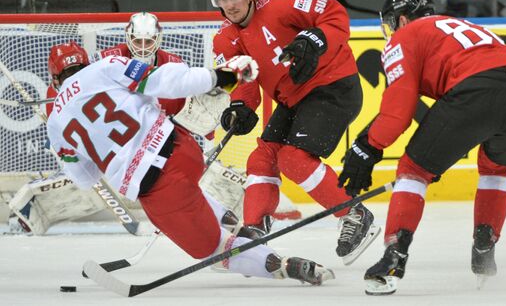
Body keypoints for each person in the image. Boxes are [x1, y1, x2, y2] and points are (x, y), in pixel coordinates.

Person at [46, 41, 335, 285]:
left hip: (157, 190)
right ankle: (239, 230)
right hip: (181, 149)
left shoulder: (56, 123)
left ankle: (283, 265)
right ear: (86, 61)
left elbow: (85, 178)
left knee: (213, 250)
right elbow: (165, 81)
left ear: (55, 80)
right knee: (190, 193)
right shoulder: (107, 66)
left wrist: (77, 142)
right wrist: (219, 77)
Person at [338, 0, 506, 295]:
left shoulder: (406, 36)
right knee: (497, 169)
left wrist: (368, 146)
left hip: (481, 89)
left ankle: (393, 258)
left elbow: (399, 110)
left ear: (403, 20)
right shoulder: (466, 27)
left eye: (391, 23)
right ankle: (484, 250)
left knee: (413, 170)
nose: (390, 31)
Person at [209, 0, 379, 265]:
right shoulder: (225, 39)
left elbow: (335, 14)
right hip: (293, 99)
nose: (228, 5)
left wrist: (313, 40)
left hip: (333, 86)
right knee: (261, 157)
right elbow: (245, 81)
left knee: (293, 158)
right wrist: (242, 106)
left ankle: (354, 213)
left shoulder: (281, 1)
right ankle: (255, 228)